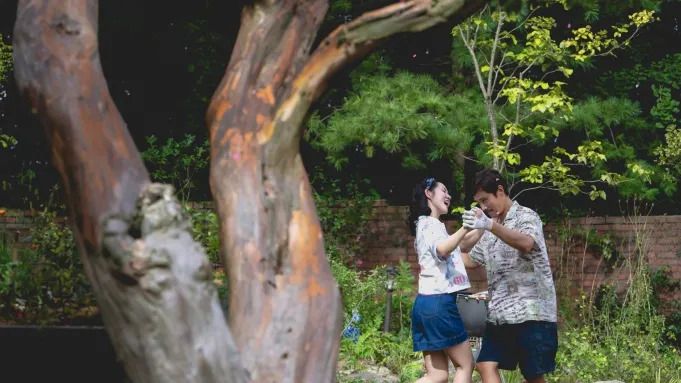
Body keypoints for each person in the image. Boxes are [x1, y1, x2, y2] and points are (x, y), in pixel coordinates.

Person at [459, 169, 558, 383]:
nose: (484, 207)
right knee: (485, 364)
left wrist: (490, 226)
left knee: (533, 376)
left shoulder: (526, 216)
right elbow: (469, 260)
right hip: (500, 315)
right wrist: (440, 250)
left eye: (485, 200)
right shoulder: (487, 228)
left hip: (532, 313)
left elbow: (526, 243)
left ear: (500, 191)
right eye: (479, 203)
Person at [408, 176, 475, 383]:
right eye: (443, 191)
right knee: (465, 365)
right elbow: (443, 249)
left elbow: (461, 245)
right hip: (440, 304)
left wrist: (483, 226)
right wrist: (466, 226)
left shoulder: (429, 225)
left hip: (426, 304)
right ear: (429, 194)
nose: (449, 195)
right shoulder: (429, 225)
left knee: (437, 375)